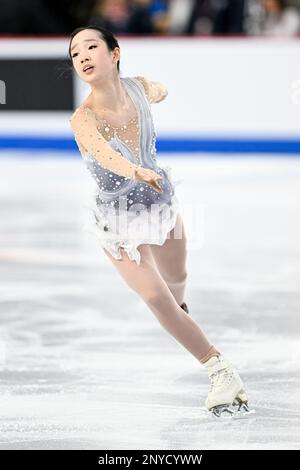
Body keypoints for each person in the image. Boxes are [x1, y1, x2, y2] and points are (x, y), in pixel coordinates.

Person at [68, 25, 252, 417]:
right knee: (154, 296)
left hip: (160, 203)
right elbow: (106, 155)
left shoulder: (136, 88)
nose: (81, 56)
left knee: (177, 280)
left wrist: (156, 90)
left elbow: (158, 90)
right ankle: (220, 370)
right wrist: (137, 172)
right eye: (74, 53)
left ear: (114, 53)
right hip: (116, 221)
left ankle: (181, 313)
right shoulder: (82, 119)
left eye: (90, 47)